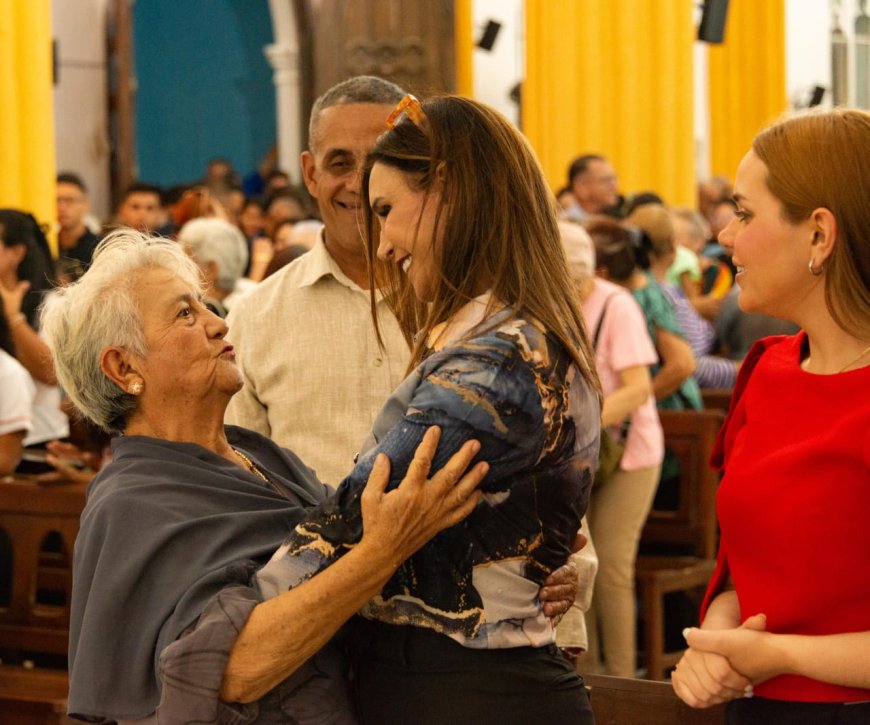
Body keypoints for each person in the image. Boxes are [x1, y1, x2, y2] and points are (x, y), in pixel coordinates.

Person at [43, 230, 489, 723]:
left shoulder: (259, 454)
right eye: (185, 314)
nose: (218, 323)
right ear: (123, 365)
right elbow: (230, 669)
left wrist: (501, 568)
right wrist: (384, 552)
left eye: (205, 305)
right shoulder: (130, 501)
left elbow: (353, 549)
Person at [255, 94, 601, 723]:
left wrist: (230, 631)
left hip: (467, 689)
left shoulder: (496, 363)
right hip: (433, 675)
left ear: (449, 188)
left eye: (387, 210)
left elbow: (354, 522)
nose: (382, 242)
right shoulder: (498, 337)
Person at [671, 108, 870, 722]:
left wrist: (773, 653)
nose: (725, 236)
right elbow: (743, 564)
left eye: (744, 213)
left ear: (819, 234)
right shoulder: (768, 369)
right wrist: (719, 639)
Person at [561, 219, 664, 676]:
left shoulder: (616, 304)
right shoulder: (551, 304)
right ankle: (588, 679)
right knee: (580, 566)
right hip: (577, 457)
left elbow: (638, 389)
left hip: (628, 455)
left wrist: (581, 423)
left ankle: (623, 684)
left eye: (570, 281)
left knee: (613, 570)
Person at [56, 172, 100, 273]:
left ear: (86, 205)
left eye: (69, 200)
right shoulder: (47, 248)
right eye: (57, 200)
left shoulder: (100, 248)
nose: (62, 207)